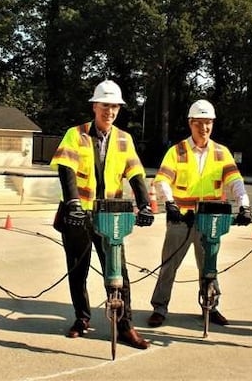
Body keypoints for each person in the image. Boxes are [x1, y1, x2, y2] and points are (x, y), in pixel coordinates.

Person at [50, 80, 155, 349]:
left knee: (119, 271)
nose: (110, 111)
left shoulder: (123, 138)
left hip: (110, 215)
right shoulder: (77, 134)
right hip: (79, 215)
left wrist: (144, 204)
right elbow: (66, 168)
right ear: (95, 106)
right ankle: (82, 318)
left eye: (115, 106)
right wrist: (73, 201)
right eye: (105, 105)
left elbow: (135, 173)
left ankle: (125, 326)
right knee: (78, 269)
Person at [146, 99, 252, 328]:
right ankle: (160, 308)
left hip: (209, 219)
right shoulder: (177, 151)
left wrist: (245, 205)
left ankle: (211, 306)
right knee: (169, 264)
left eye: (208, 123)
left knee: (209, 266)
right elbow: (163, 180)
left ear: (212, 124)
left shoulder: (222, 153)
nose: (203, 128)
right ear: (190, 123)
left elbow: (236, 182)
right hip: (181, 219)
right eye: (199, 123)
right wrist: (170, 204)